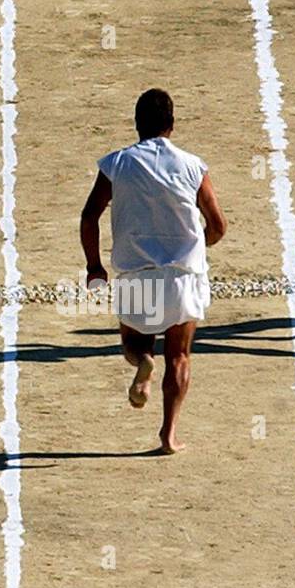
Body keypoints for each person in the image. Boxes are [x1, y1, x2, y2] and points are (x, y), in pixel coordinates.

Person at [80, 88, 226, 454]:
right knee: (179, 355)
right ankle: (169, 434)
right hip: (182, 274)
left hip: (135, 272)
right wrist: (199, 244)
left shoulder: (116, 163)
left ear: (137, 125)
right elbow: (218, 225)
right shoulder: (193, 166)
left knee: (133, 342)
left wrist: (94, 266)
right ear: (172, 125)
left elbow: (89, 216)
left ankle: (144, 362)